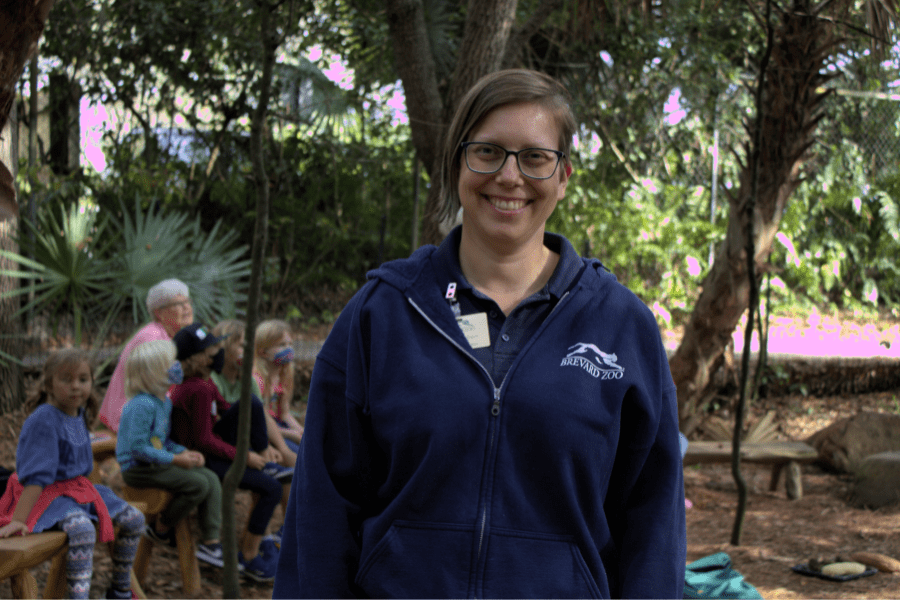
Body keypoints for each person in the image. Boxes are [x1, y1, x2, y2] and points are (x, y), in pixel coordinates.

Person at [273, 69, 686, 599]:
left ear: (563, 176)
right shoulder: (383, 313)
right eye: (488, 152)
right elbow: (322, 512)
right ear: (456, 165)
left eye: (535, 157)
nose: (509, 176)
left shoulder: (621, 325)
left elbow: (653, 523)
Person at [0, 349, 145, 599]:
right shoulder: (44, 420)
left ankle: (120, 591)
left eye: (83, 379)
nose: (76, 386)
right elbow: (36, 477)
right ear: (49, 384)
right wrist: (19, 520)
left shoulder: (78, 412)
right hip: (44, 495)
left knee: (134, 518)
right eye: (66, 379)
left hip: (76, 490)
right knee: (82, 530)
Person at [168, 323, 289, 582]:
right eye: (213, 350)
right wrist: (244, 456)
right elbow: (203, 440)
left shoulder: (204, 383)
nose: (219, 353)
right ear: (197, 357)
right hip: (203, 461)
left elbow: (229, 408)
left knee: (251, 402)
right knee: (272, 489)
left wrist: (259, 445)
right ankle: (251, 557)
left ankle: (265, 462)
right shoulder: (196, 389)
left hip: (214, 451)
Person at [115, 339, 225, 567]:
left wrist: (185, 452)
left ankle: (211, 542)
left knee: (210, 477)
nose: (177, 366)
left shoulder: (162, 401)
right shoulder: (142, 405)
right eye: (170, 363)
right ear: (153, 374)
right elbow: (138, 448)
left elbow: (161, 441)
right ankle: (162, 528)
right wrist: (175, 459)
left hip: (156, 463)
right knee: (198, 484)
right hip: (138, 470)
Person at [99, 278, 194, 432]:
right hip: (131, 418)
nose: (186, 308)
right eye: (178, 304)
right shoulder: (151, 337)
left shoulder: (176, 335)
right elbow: (157, 387)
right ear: (159, 313)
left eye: (187, 302)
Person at [212, 319, 297, 467]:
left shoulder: (249, 381)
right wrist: (264, 447)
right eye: (241, 347)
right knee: (252, 402)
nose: (247, 353)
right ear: (223, 348)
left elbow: (266, 416)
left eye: (249, 347)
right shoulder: (213, 380)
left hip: (255, 433)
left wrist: (283, 449)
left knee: (295, 456)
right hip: (228, 441)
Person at [252, 319, 304, 453]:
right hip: (262, 430)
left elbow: (285, 414)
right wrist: (290, 434)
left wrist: (300, 431)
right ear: (263, 352)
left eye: (290, 344)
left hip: (279, 425)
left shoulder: (285, 375)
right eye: (282, 344)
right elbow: (260, 424)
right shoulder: (257, 380)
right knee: (298, 455)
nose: (288, 349)